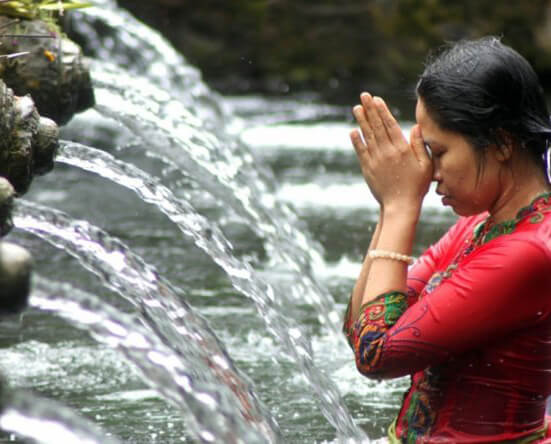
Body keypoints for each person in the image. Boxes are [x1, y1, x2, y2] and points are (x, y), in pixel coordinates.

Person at [343, 36, 551, 443]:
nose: (427, 171)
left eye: (437, 152)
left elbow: (376, 354)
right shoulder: (478, 226)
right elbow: (360, 326)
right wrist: (390, 209)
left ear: (502, 143)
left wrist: (401, 205)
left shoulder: (532, 250)